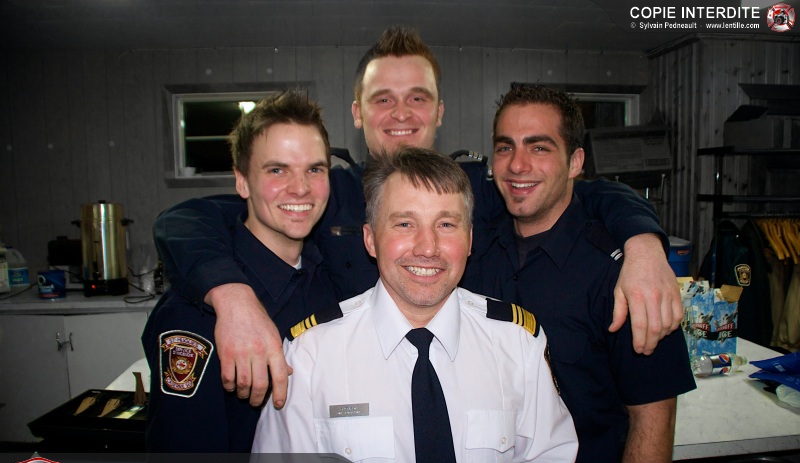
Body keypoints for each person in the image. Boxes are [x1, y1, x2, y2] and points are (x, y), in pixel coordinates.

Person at [153, 26, 682, 409]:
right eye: (383, 99)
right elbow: (187, 221)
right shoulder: (322, 192)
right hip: (348, 408)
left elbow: (582, 191)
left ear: (439, 112)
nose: (401, 114)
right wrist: (233, 298)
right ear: (358, 113)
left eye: (417, 98)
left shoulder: (476, 188)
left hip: (465, 405)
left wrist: (643, 245)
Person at [252, 147, 587, 463]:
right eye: (404, 224)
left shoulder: (516, 345)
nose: (427, 248)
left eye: (446, 224)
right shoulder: (312, 356)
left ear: (470, 239)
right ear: (370, 240)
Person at [469, 84, 696, 463]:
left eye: (539, 147)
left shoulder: (623, 278)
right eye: (505, 147)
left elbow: (653, 422)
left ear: (575, 162)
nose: (518, 165)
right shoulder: (472, 250)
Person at [141, 92, 338, 452]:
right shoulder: (200, 315)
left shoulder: (327, 277)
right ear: (242, 181)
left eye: (315, 169)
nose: (301, 188)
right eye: (277, 170)